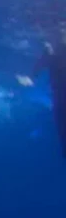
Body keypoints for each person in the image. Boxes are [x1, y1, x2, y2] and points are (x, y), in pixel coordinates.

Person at [33, 26, 66, 158]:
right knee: (62, 128)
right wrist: (31, 76)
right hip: (59, 96)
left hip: (59, 96)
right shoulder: (51, 50)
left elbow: (38, 67)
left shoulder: (51, 51)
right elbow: (38, 66)